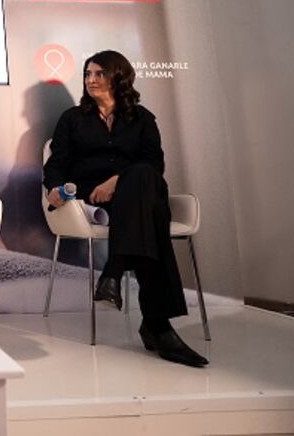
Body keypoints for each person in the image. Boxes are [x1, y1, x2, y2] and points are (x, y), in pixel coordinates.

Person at [43, 50, 208, 367]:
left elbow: (155, 164)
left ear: (118, 77)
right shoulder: (72, 119)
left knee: (143, 177)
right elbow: (57, 163)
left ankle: (114, 271)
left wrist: (117, 180)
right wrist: (53, 188)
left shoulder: (142, 118)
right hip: (96, 199)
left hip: (135, 193)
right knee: (152, 218)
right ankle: (158, 326)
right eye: (88, 74)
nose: (91, 80)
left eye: (99, 74)